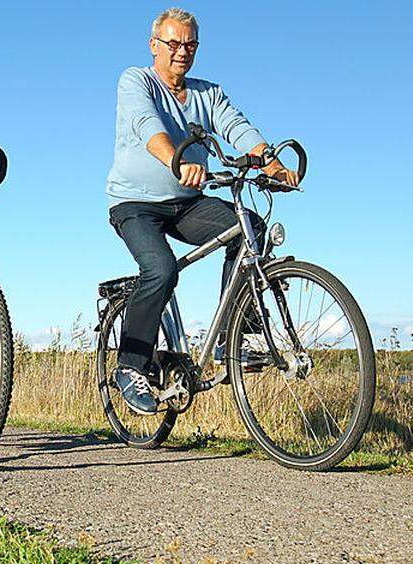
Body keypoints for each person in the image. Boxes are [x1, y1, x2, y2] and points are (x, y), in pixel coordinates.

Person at [105, 8, 300, 414]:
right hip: (135, 203)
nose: (182, 52)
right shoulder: (136, 80)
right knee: (161, 268)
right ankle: (130, 366)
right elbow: (147, 127)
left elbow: (237, 128)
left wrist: (269, 161)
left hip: (187, 203)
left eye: (190, 44)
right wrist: (177, 160)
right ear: (154, 45)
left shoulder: (207, 93)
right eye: (173, 43)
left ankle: (235, 336)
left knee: (250, 227)